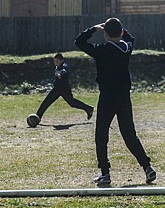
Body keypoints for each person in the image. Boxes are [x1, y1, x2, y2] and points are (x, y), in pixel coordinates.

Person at [74, 17, 156, 186]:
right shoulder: (127, 48)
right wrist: (120, 30)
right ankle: (147, 166)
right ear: (120, 32)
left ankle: (105, 173)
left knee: (101, 134)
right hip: (124, 96)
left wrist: (93, 29)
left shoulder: (101, 50)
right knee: (129, 134)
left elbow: (79, 42)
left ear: (105, 34)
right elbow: (130, 38)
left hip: (107, 96)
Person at [35, 53, 94, 121]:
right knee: (46, 102)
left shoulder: (64, 66)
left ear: (62, 60)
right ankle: (37, 117)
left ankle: (88, 109)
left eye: (57, 61)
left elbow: (64, 71)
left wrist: (60, 74)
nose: (55, 63)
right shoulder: (58, 66)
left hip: (64, 89)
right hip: (57, 89)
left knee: (72, 103)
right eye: (54, 61)